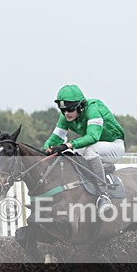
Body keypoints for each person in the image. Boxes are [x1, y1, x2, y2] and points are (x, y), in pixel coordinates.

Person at [43, 84, 126, 218]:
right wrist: (43, 151)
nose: (66, 113)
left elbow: (93, 137)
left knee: (90, 151)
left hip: (114, 145)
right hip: (94, 146)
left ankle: (104, 196)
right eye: (63, 110)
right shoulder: (65, 116)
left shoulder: (93, 109)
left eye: (70, 109)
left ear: (80, 106)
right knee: (67, 155)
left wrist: (67, 145)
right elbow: (55, 139)